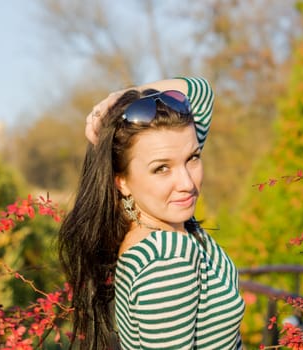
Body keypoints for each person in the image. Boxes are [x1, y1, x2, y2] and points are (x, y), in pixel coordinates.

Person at [58, 77, 245, 350]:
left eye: (192, 158)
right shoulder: (167, 258)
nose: (187, 183)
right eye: (162, 168)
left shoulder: (160, 227)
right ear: (120, 181)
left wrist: (124, 97)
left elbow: (201, 93)